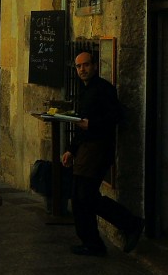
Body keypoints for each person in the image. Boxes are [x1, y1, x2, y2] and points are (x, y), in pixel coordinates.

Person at [62, 51, 144, 257]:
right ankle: (91, 243)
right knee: (78, 197)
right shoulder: (84, 90)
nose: (82, 69)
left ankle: (130, 223)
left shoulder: (104, 89)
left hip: (98, 149)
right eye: (79, 66)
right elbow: (81, 123)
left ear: (95, 66)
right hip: (84, 150)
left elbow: (115, 116)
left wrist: (93, 124)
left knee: (86, 196)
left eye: (86, 65)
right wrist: (71, 150)